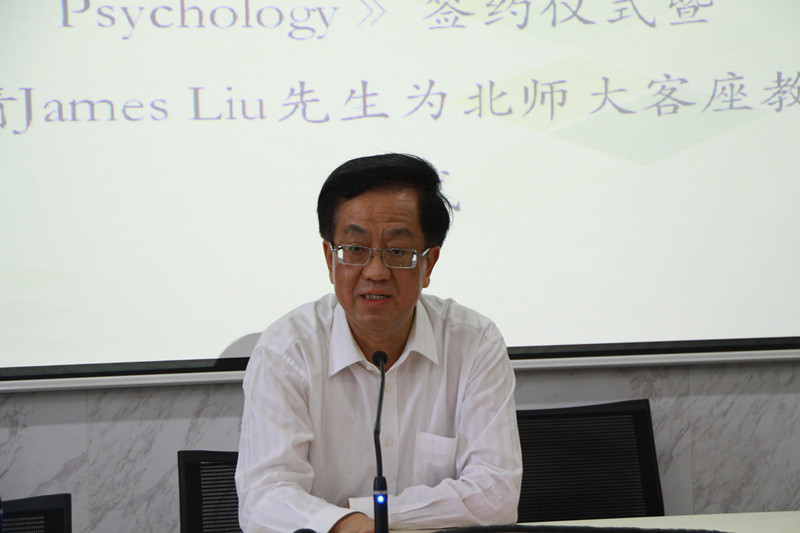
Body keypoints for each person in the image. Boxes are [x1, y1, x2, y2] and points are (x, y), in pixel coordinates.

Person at [235, 153, 522, 533]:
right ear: (330, 259)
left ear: (429, 264)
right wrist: (347, 525)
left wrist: (360, 515)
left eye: (398, 252)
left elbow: (496, 495)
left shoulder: (474, 343)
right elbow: (263, 499)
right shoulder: (286, 352)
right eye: (355, 249)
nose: (376, 271)